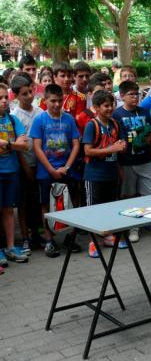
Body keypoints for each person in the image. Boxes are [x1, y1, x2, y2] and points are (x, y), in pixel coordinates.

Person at [113, 81, 151, 242]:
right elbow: (120, 141)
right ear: (122, 96)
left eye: (137, 94)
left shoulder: (144, 112)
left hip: (145, 160)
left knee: (149, 194)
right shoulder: (117, 115)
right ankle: (133, 228)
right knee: (130, 195)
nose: (135, 97)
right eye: (131, 94)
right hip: (128, 162)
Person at [31, 84, 81, 258]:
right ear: (45, 101)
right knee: (46, 204)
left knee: (70, 202)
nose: (57, 104)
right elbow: (37, 147)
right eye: (53, 101)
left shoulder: (68, 119)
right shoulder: (39, 120)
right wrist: (51, 169)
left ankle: (69, 236)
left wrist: (66, 167)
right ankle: (49, 239)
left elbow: (75, 144)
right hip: (46, 171)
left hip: (67, 169)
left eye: (60, 100)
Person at [82, 90, 127, 257]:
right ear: (96, 108)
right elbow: (87, 151)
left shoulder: (115, 124)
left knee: (110, 208)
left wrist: (122, 147)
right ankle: (93, 241)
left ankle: (108, 236)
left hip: (112, 174)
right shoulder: (91, 125)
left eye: (112, 105)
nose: (110, 108)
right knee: (93, 209)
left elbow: (121, 144)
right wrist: (111, 149)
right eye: (106, 105)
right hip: (94, 176)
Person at [11, 76, 43, 254]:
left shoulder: (39, 112)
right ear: (16, 96)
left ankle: (38, 233)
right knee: (23, 203)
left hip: (40, 164)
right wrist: (26, 168)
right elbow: (19, 148)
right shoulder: (15, 116)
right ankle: (25, 237)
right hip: (24, 165)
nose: (30, 96)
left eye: (31, 91)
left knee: (37, 201)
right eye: (24, 94)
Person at [0, 83, 30, 264]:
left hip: (11, 171)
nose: (4, 101)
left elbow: (24, 145)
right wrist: (14, 143)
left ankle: (10, 247)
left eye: (5, 97)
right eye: (0, 98)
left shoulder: (12, 120)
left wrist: (6, 144)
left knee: (9, 210)